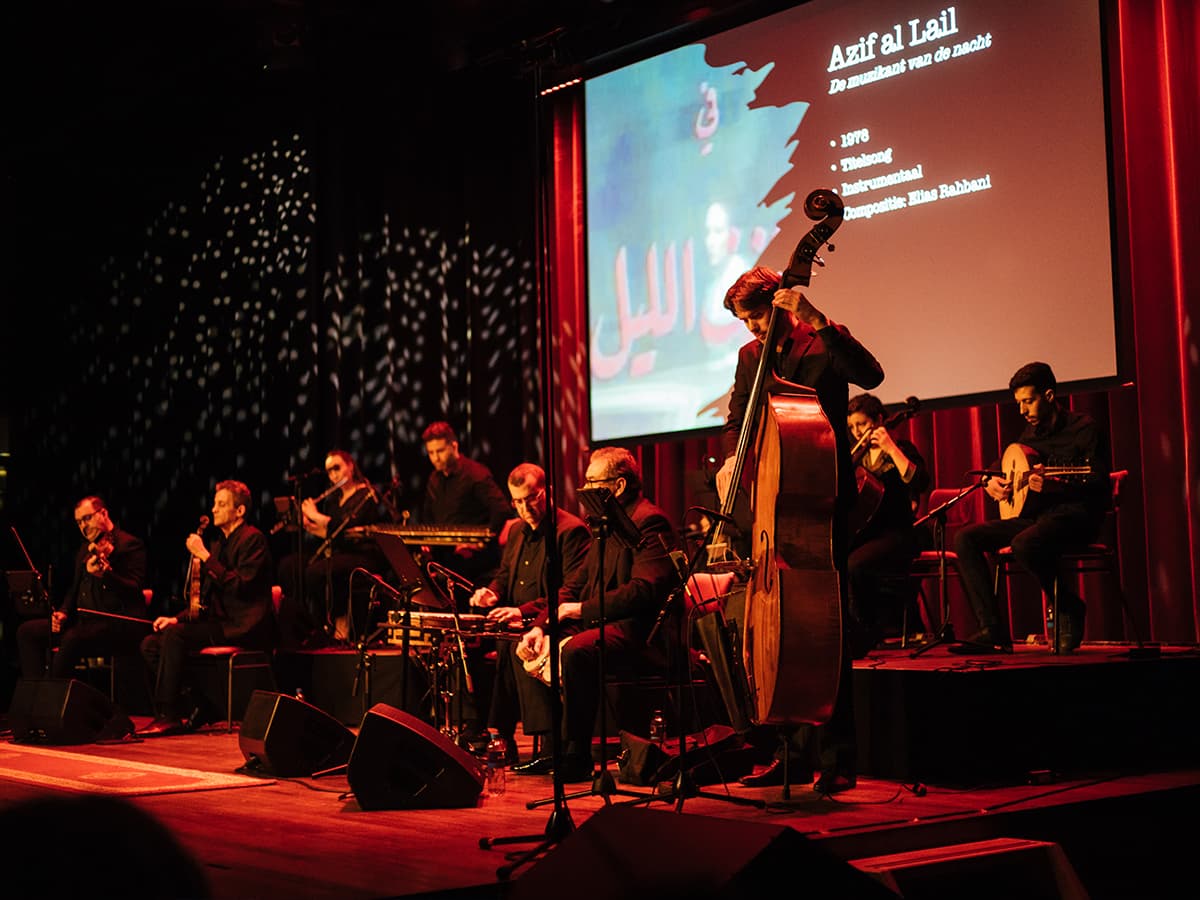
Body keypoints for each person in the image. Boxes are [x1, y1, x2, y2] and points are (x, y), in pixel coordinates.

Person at [714, 265, 884, 793]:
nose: (752, 332)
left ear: (783, 303)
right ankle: (787, 754)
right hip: (771, 499)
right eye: (745, 323)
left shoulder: (821, 341)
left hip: (819, 498)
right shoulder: (749, 358)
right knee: (775, 633)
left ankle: (838, 760)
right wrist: (730, 461)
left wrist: (822, 321)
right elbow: (739, 417)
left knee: (823, 631)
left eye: (758, 318)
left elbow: (872, 376)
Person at [511, 447, 680, 782]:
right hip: (607, 622)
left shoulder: (648, 522)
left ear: (617, 485)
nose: (585, 490)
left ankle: (577, 753)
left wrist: (582, 610)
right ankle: (552, 749)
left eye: (592, 481)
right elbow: (577, 583)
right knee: (531, 641)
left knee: (577, 650)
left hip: (640, 631)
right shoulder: (608, 525)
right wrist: (542, 625)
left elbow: (644, 592)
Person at [952, 362, 1110, 654]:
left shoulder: (1083, 428)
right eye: (1019, 403)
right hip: (1038, 518)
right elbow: (1003, 466)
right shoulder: (1030, 433)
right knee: (965, 538)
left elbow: (1098, 480)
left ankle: (1068, 605)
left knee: (1025, 543)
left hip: (1077, 516)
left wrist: (1057, 484)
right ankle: (992, 628)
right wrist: (990, 480)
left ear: (1049, 396)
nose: (1023, 410)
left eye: (1028, 401)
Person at [468, 463, 591, 765]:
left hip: (558, 619)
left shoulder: (571, 530)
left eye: (531, 498)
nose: (525, 508)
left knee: (515, 646)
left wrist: (521, 611)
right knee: (470, 646)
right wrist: (493, 592)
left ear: (546, 492)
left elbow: (568, 591)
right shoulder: (517, 531)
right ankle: (494, 735)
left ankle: (549, 740)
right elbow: (506, 573)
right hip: (519, 617)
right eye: (518, 501)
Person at [137, 480, 277, 736]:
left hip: (243, 625)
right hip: (220, 623)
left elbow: (241, 587)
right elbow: (206, 602)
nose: (214, 509)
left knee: (176, 638)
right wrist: (176, 618)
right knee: (151, 644)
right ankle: (201, 704)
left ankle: (167, 714)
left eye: (221, 504)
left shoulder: (253, 540)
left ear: (239, 511)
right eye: (214, 504)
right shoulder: (219, 545)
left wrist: (205, 557)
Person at [16, 496, 149, 679]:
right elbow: (74, 588)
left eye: (87, 518)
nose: (83, 527)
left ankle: (49, 695)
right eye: (78, 522)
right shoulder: (85, 549)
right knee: (27, 632)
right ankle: (35, 691)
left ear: (103, 513)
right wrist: (63, 613)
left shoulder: (129, 544)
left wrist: (106, 576)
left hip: (114, 625)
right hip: (83, 624)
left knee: (72, 638)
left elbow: (134, 589)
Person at [845, 392, 930, 656]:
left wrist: (890, 446)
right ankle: (847, 631)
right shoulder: (856, 459)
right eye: (851, 427)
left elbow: (920, 483)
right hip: (867, 536)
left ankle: (866, 631)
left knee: (854, 564)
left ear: (879, 419)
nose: (857, 431)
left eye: (861, 424)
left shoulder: (902, 450)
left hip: (898, 534)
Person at [276, 450, 385, 646]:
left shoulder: (366, 495)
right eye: (329, 471)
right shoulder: (334, 499)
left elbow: (347, 530)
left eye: (337, 468)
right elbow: (331, 534)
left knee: (316, 572)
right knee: (289, 566)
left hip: (362, 553)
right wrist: (306, 523)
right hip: (340, 552)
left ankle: (335, 620)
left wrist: (315, 515)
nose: (333, 475)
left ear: (350, 466)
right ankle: (303, 624)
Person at [420, 421, 512, 599]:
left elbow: (502, 511)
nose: (435, 458)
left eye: (440, 451)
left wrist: (479, 542)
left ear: (454, 446)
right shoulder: (434, 479)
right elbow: (429, 515)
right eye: (431, 453)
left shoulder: (475, 474)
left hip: (475, 562)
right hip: (444, 559)